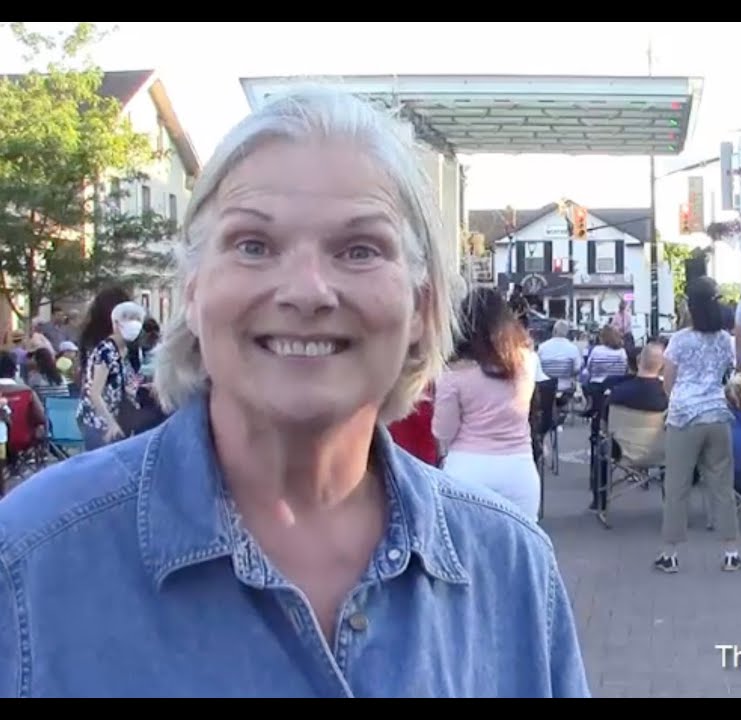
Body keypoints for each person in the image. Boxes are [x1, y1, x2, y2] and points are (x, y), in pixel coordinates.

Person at [0, 87, 588, 698]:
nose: (307, 291)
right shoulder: (30, 566)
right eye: (253, 245)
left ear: (422, 304)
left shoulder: (512, 572)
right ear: (194, 292)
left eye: (359, 250)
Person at [433, 287, 544, 521]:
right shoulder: (527, 362)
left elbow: (443, 431)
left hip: (467, 467)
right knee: (521, 548)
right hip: (518, 468)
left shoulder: (453, 373)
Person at [656, 277, 739, 573]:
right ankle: (731, 552)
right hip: (717, 415)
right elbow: (732, 372)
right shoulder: (725, 341)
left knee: (677, 486)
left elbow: (668, 380)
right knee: (722, 486)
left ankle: (670, 554)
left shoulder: (680, 340)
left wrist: (677, 401)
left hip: (684, 418)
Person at [75, 300, 146, 449]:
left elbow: (122, 384)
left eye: (137, 319)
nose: (133, 324)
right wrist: (110, 423)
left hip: (118, 418)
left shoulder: (127, 351)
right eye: (128, 319)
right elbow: (95, 393)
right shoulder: (106, 350)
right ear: (115, 323)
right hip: (98, 421)